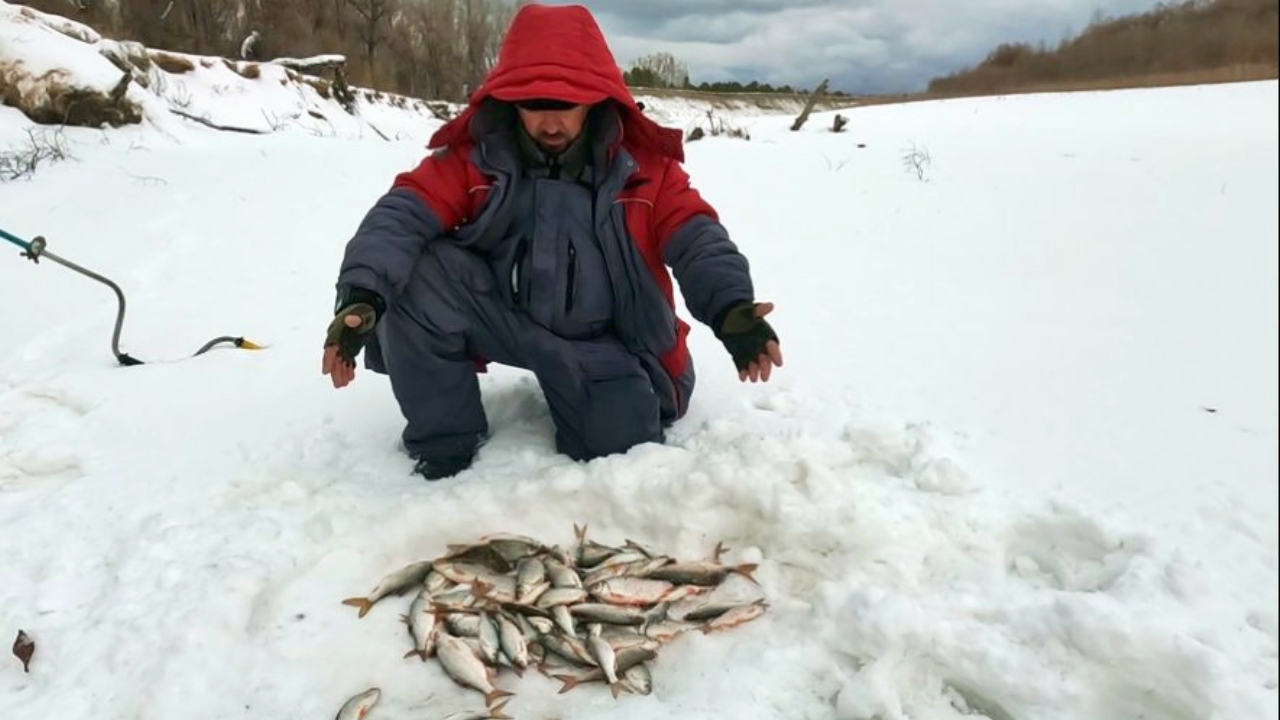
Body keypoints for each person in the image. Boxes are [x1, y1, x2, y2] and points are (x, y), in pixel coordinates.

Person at [322, 3, 783, 480]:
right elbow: (401, 214)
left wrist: (730, 307)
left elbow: (698, 238)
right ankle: (445, 441)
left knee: (616, 444)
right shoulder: (477, 159)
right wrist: (362, 295)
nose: (550, 124)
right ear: (509, 102)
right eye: (533, 107)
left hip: (608, 343)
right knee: (415, 273)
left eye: (566, 107)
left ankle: (601, 396)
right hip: (510, 319)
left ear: (596, 100)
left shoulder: (645, 171)